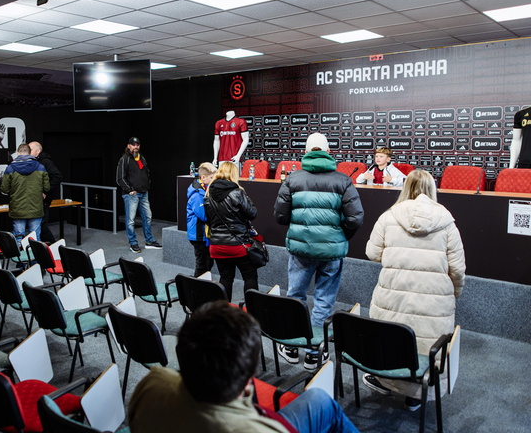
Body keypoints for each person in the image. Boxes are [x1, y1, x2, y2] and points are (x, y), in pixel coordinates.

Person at [129, 300, 359, 433]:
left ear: (181, 352)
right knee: (321, 401)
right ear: (252, 375)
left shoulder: (151, 385)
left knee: (318, 401)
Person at [363, 169, 465, 411]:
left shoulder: (388, 216)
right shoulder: (447, 222)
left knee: (391, 339)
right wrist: (453, 294)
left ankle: (387, 380)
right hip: (434, 304)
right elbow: (458, 270)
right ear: (432, 190)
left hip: (391, 296)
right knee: (424, 346)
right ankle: (416, 395)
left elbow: (372, 253)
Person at [274, 132, 363, 370]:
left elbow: (280, 216)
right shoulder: (343, 180)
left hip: (301, 249)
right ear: (327, 151)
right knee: (324, 300)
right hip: (331, 252)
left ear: (306, 151)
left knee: (296, 295)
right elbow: (355, 219)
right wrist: (340, 235)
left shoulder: (292, 179)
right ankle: (314, 352)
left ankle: (292, 346)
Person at [204, 162, 259, 302]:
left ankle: (226, 313)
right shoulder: (238, 192)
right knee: (250, 276)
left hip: (217, 245)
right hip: (238, 244)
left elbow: (208, 219)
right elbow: (252, 213)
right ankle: (252, 312)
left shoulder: (208, 194)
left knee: (225, 277)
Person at [116, 137, 162, 253]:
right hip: (131, 195)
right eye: (133, 144)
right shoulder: (124, 159)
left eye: (137, 144)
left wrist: (147, 187)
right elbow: (120, 178)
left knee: (147, 217)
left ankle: (149, 241)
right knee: (131, 220)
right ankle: (133, 243)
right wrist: (130, 190)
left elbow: (147, 174)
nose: (136, 146)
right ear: (129, 146)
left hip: (143, 193)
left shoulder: (141, 158)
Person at [1, 143, 50, 244]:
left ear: (18, 153)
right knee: (36, 238)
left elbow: (4, 189)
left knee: (19, 238)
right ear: (30, 153)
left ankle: (21, 259)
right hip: (36, 207)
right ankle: (36, 259)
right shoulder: (40, 167)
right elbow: (47, 188)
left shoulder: (10, 168)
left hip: (18, 208)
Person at [28, 141, 63, 243]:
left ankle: (53, 248)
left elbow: (58, 176)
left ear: (38, 151)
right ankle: (44, 248)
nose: (28, 152)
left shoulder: (46, 162)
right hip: (35, 199)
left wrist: (45, 191)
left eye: (30, 150)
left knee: (40, 224)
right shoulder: (34, 161)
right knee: (37, 225)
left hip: (43, 199)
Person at [187, 162, 217, 277]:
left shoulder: (204, 190)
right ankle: (196, 293)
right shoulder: (197, 194)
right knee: (202, 266)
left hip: (204, 235)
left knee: (208, 264)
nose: (214, 180)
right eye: (212, 178)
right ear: (203, 177)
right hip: (199, 235)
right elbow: (204, 216)